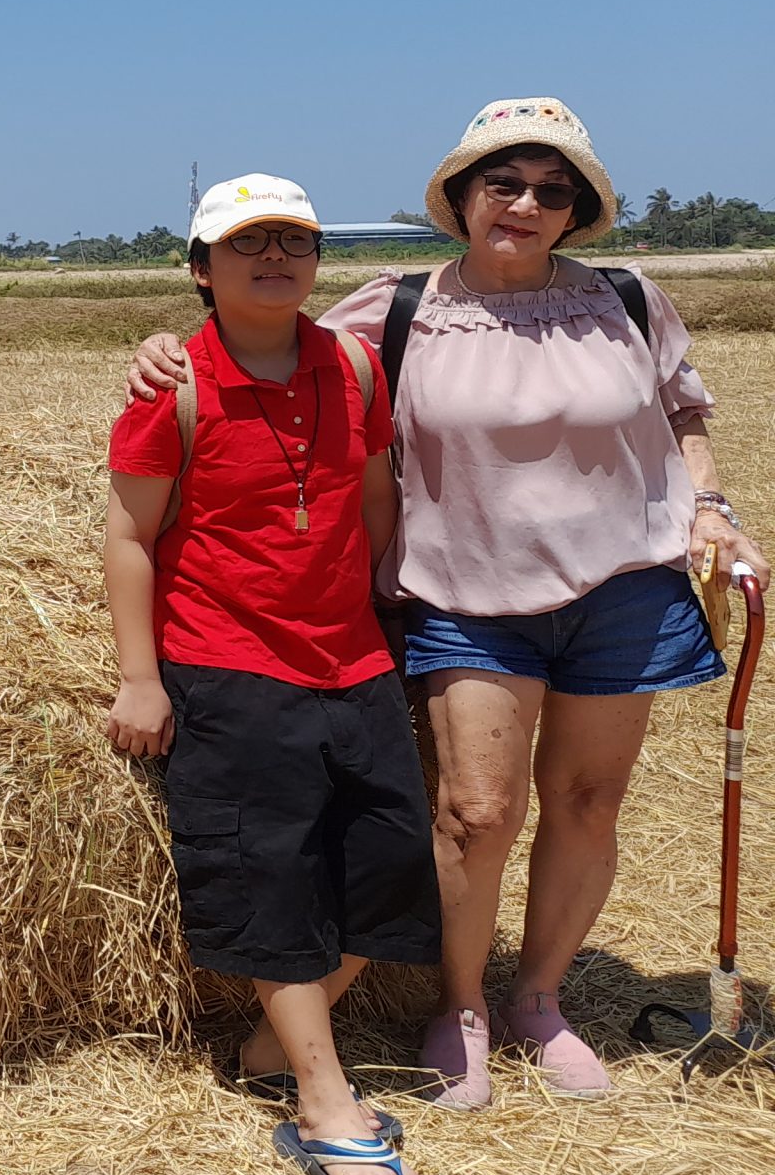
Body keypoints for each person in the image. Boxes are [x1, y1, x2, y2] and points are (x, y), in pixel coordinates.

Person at [128, 100, 767, 1110]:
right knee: (475, 812)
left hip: (624, 586)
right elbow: (265, 340)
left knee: (589, 802)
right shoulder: (393, 309)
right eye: (501, 184)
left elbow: (681, 411)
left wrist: (710, 506)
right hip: (465, 589)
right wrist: (163, 347)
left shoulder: (628, 299)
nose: (523, 204)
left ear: (576, 210)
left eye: (550, 190)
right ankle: (460, 1006)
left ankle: (542, 1001)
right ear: (461, 199)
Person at [105, 174, 446, 1175]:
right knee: (272, 879)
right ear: (200, 271)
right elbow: (127, 536)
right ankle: (321, 1101)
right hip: (228, 664)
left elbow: (375, 493)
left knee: (390, 869)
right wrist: (140, 678)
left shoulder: (349, 366)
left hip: (352, 660)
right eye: (245, 241)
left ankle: (267, 1041)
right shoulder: (172, 390)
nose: (274, 257)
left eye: (293, 240)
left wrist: (380, 610)